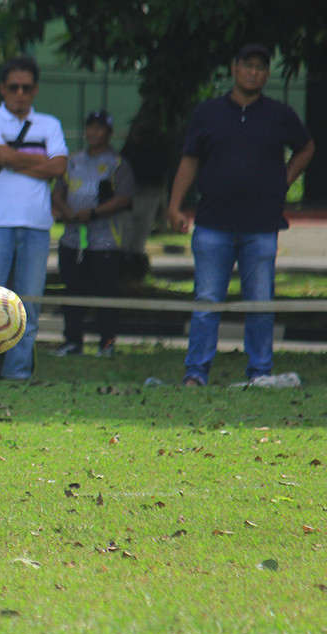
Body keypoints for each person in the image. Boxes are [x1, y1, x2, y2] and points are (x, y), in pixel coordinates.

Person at [168, 43, 314, 386]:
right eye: (247, 65)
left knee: (261, 302)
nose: (253, 71)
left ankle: (260, 372)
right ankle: (196, 373)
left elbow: (306, 147)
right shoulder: (208, 113)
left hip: (261, 225)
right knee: (207, 301)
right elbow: (189, 159)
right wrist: (174, 205)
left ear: (267, 74)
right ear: (234, 69)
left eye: (261, 67)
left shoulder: (280, 114)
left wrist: (283, 182)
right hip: (212, 223)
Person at [0, 55, 68, 384]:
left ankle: (18, 374)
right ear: (2, 89)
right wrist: (40, 162)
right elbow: (3, 157)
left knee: (28, 306)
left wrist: (17, 161)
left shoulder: (49, 124)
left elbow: (59, 167)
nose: (20, 93)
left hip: (36, 226)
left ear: (35, 90)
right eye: (13, 87)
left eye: (26, 87)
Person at [51, 109, 135, 358]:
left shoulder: (117, 163)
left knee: (105, 292)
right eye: (91, 127)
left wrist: (95, 212)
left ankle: (107, 343)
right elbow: (58, 191)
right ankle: (72, 341)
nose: (94, 132)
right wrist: (64, 209)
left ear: (109, 133)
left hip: (104, 241)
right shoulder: (73, 161)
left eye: (100, 128)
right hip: (72, 240)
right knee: (72, 290)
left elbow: (124, 198)